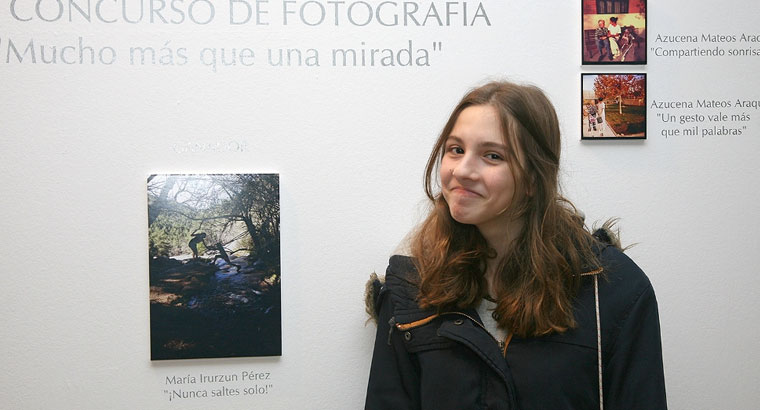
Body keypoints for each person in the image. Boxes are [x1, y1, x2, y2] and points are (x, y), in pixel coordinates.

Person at [364, 81, 666, 409]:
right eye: (455, 150)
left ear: (534, 179)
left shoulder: (611, 290)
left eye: (492, 156)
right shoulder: (410, 285)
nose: (463, 171)